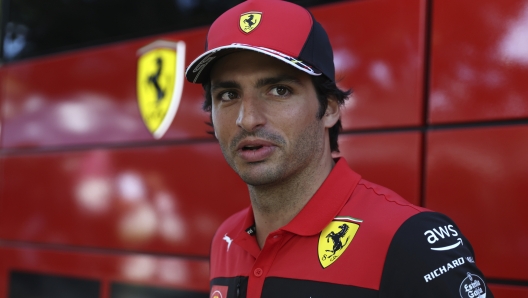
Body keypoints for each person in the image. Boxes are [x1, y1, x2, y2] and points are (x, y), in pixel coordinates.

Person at [185, 0, 494, 297]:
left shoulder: (411, 241)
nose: (248, 119)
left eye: (279, 90)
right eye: (227, 95)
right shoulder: (227, 239)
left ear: (330, 108)